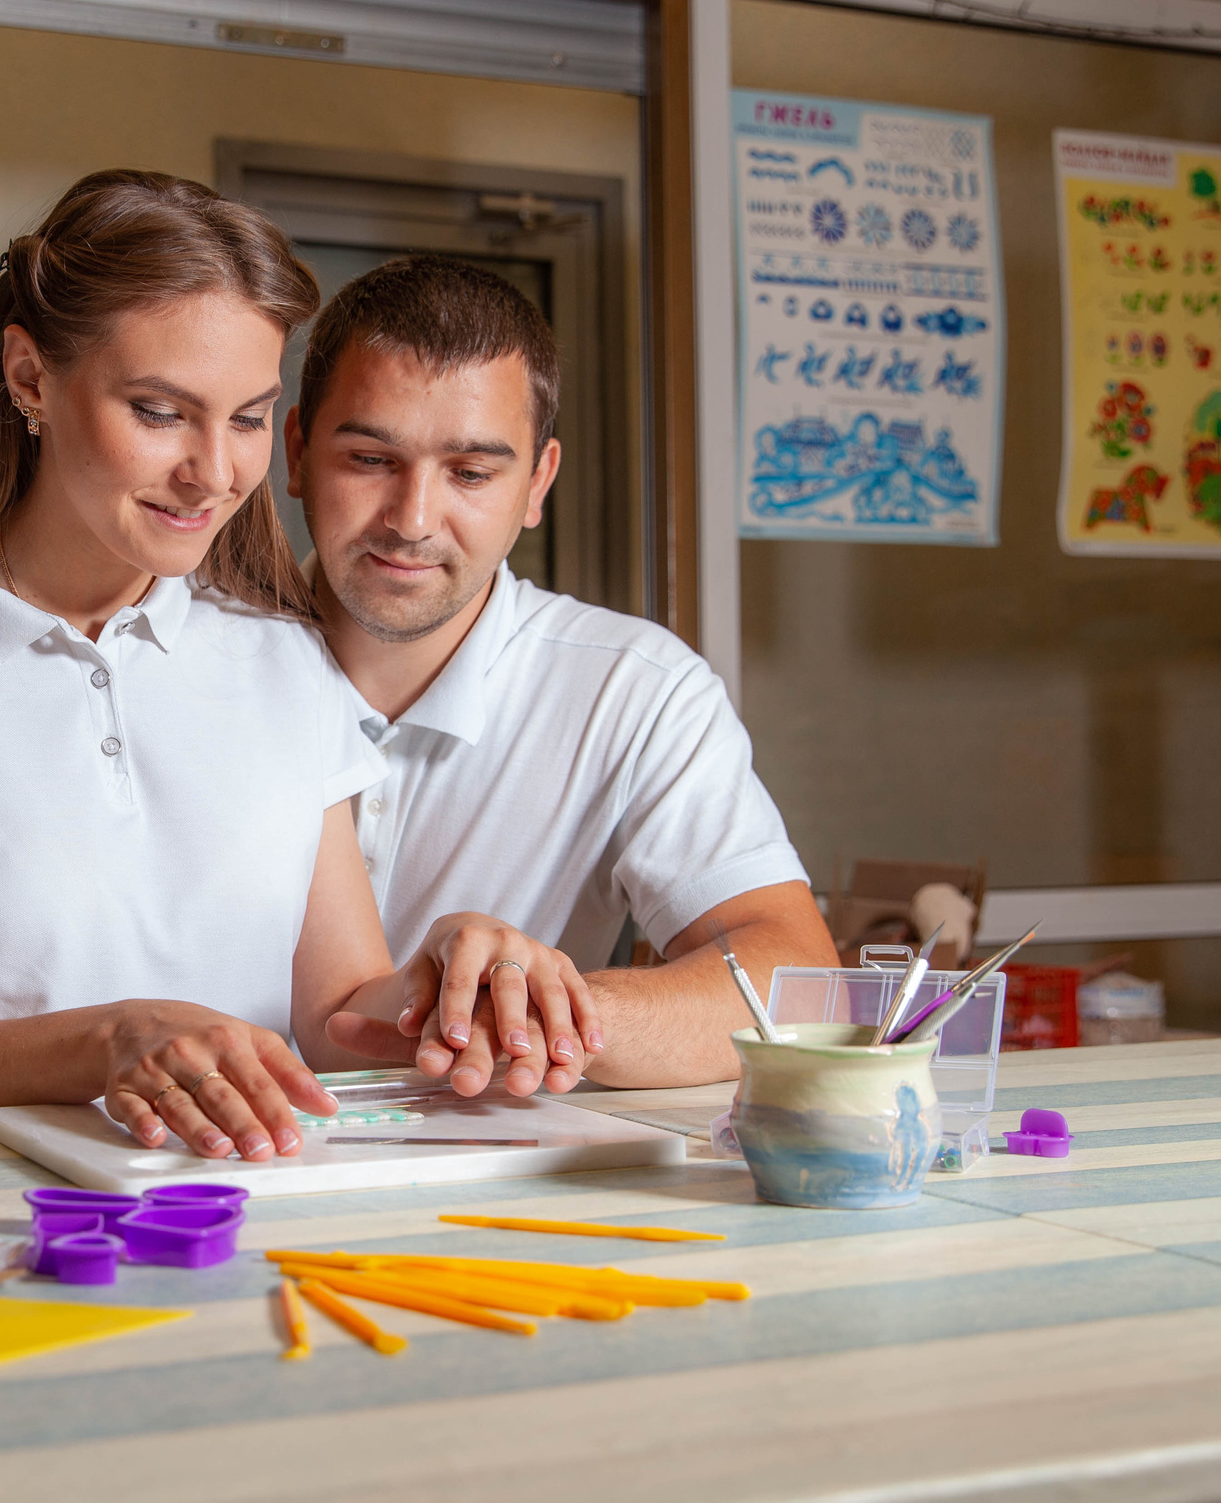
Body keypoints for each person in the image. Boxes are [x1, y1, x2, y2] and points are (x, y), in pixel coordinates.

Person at [0, 172, 593, 1159]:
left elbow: (339, 1015)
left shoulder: (281, 651)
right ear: (28, 378)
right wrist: (111, 1040)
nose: (214, 472)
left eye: (249, 419)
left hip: (251, 1202)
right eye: (160, 411)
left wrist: (454, 981)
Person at [288, 254, 835, 1092]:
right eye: (370, 460)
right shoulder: (185, 659)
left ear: (537, 482)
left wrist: (539, 1008)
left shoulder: (635, 690)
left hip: (489, 1181)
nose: (414, 519)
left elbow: (795, 979)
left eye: (471, 472)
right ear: (296, 451)